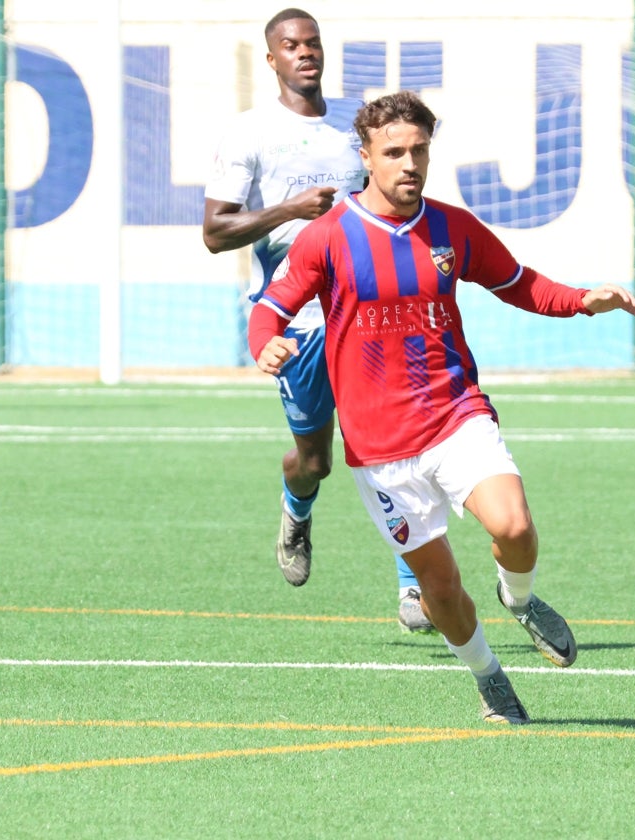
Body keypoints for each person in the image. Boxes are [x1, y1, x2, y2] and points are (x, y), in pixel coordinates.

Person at [248, 91, 635, 724]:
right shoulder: (328, 237)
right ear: (366, 158)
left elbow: (518, 282)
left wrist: (581, 299)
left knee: (512, 525)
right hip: (380, 449)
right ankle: (490, 676)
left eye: (420, 151)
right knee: (438, 588)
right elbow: (271, 306)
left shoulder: (451, 227)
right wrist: (265, 343)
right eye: (395, 152)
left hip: (455, 413)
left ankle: (519, 599)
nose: (410, 164)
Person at [202, 9, 435, 633]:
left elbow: (391, 201)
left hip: (366, 313)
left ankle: (415, 585)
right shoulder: (248, 133)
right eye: (290, 45)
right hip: (295, 319)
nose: (305, 53)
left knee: (392, 445)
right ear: (271, 58)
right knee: (317, 459)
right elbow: (215, 232)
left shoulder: (355, 126)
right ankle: (296, 507)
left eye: (313, 43)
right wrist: (289, 210)